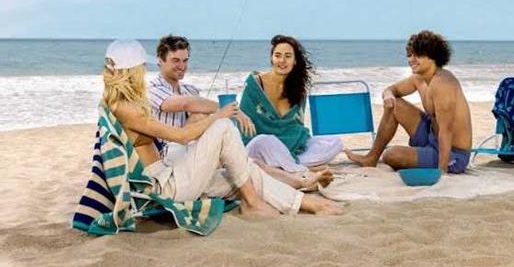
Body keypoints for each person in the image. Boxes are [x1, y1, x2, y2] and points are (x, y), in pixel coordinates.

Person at [104, 39, 343, 218]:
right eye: (141, 67)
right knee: (224, 127)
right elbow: (181, 135)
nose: (144, 71)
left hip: (170, 171)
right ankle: (252, 202)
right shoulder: (127, 108)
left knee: (245, 170)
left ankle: (303, 202)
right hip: (165, 186)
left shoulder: (120, 103)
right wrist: (220, 114)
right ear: (132, 71)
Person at [348, 29, 473, 174]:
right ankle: (371, 158)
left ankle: (436, 163)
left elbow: (446, 131)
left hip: (452, 153)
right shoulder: (419, 79)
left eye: (417, 55)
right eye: (410, 54)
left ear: (433, 56)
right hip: (431, 137)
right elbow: (392, 89)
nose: (411, 59)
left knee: (391, 155)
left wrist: (442, 173)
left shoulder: (442, 84)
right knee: (395, 104)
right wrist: (388, 95)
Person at [241, 35, 348, 186]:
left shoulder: (298, 90)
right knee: (264, 140)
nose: (282, 60)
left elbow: (297, 127)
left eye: (288, 56)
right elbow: (244, 126)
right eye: (277, 55)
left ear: (295, 61)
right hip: (260, 150)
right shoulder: (255, 84)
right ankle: (302, 172)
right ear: (271, 58)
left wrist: (289, 148)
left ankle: (286, 168)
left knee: (335, 143)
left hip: (289, 149)